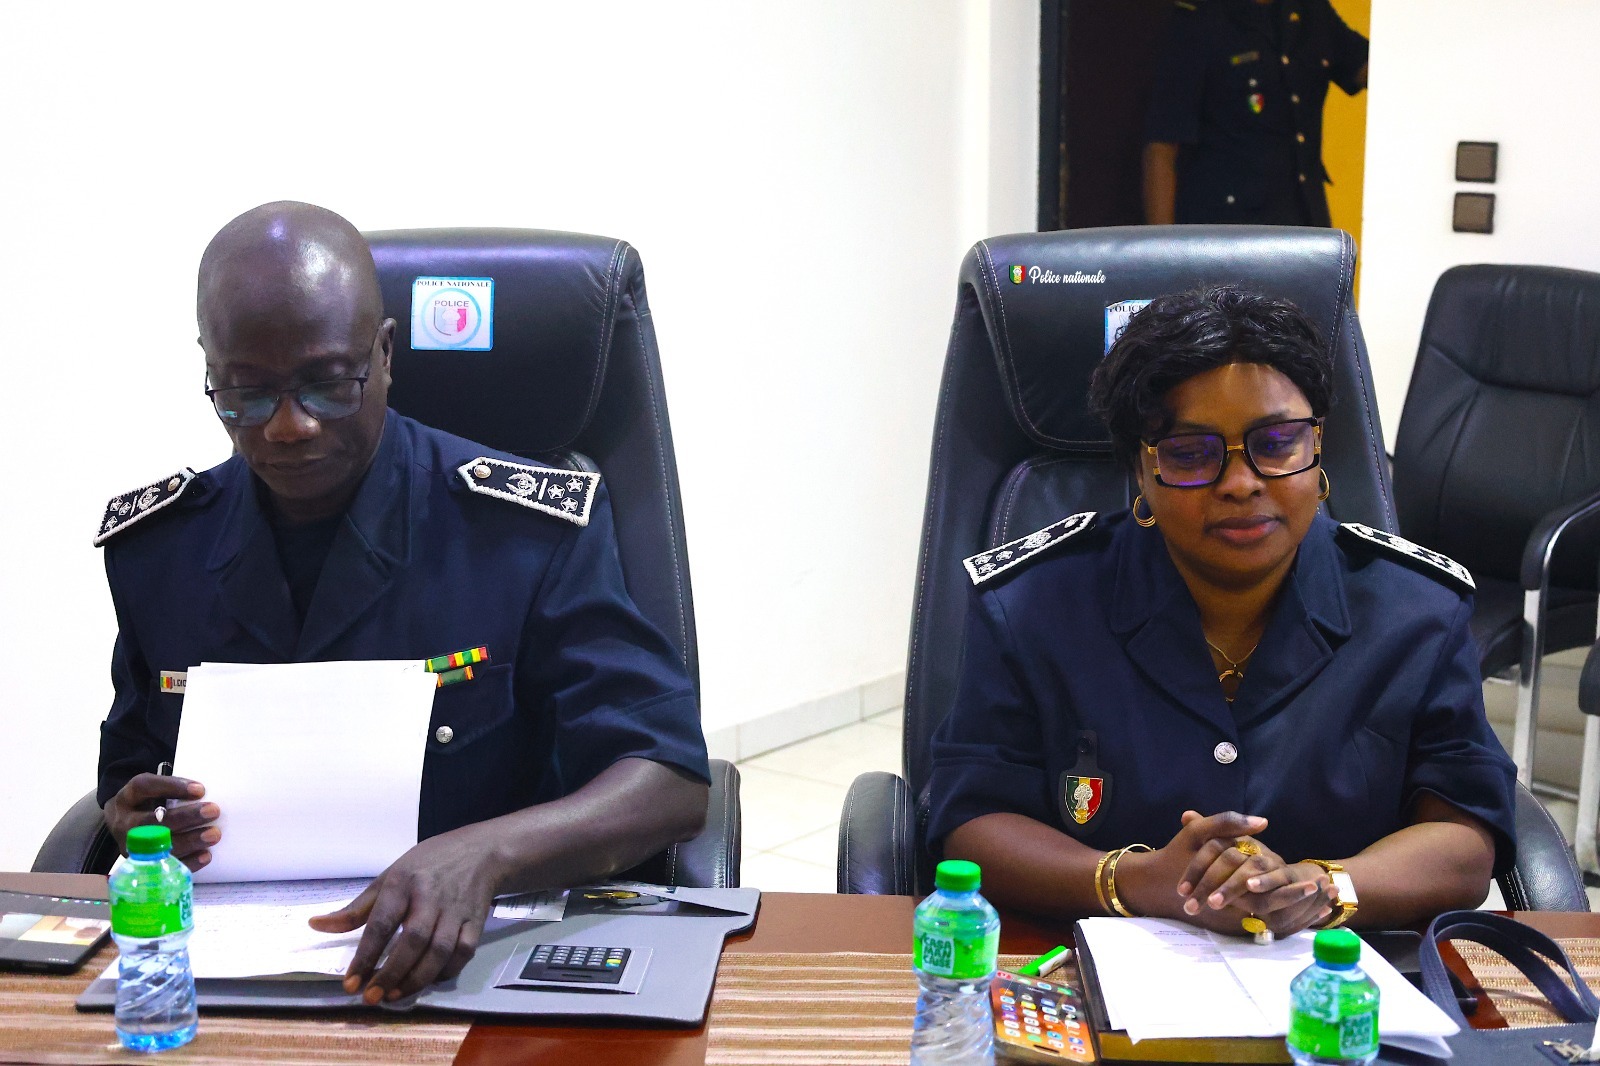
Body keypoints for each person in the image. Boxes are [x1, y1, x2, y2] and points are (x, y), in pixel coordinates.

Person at [94, 202, 710, 1001]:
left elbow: (670, 779)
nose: (288, 427)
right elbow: (125, 776)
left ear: (384, 354)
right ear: (211, 369)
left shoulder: (522, 535)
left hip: (474, 961)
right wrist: (135, 817)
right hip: (234, 976)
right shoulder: (160, 551)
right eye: (246, 393)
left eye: (327, 384)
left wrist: (487, 854)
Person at [926, 286, 1515, 937]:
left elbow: (1462, 836)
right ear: (1139, 472)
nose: (1241, 482)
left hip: (1341, 984)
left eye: (1278, 442)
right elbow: (971, 821)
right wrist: (1131, 881)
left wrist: (1325, 888)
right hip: (1088, 965)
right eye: (1189, 453)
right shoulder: (1031, 604)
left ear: (1318, 449)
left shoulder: (1419, 612)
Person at [1143, 0, 1368, 227]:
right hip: (1231, 232)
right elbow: (1162, 147)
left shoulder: (1310, 10)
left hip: (1305, 226)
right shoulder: (1200, 19)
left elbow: (1372, 67)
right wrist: (1162, 253)